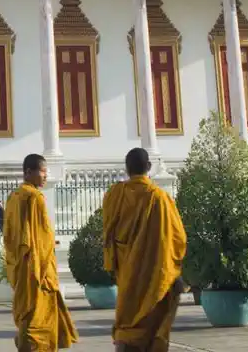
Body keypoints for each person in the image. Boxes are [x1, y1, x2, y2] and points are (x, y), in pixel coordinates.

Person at [102, 148, 186, 352]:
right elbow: (178, 239)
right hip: (154, 272)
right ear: (148, 167)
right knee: (154, 314)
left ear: (127, 168)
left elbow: (107, 233)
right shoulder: (160, 198)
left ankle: (125, 341)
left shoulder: (115, 194)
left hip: (127, 270)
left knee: (128, 313)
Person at [3, 154, 78, 351]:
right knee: (37, 317)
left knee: (30, 313)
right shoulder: (34, 197)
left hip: (20, 264)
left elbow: (14, 234)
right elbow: (39, 237)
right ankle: (27, 344)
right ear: (28, 172)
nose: (46, 176)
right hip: (36, 268)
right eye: (42, 171)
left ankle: (25, 341)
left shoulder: (13, 197)